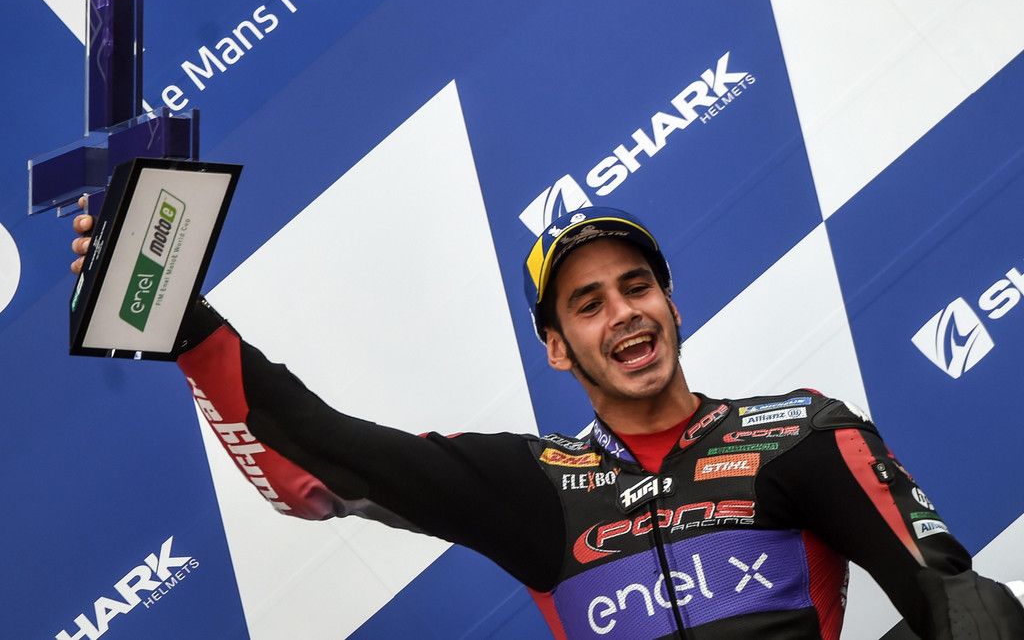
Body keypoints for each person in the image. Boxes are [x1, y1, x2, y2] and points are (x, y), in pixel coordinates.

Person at [71, 203, 1024, 639]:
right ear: (559, 349)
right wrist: (176, 317)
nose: (625, 315)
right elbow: (318, 455)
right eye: (589, 304)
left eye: (638, 287)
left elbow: (946, 594)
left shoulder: (797, 433)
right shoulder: (535, 485)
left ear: (672, 305)